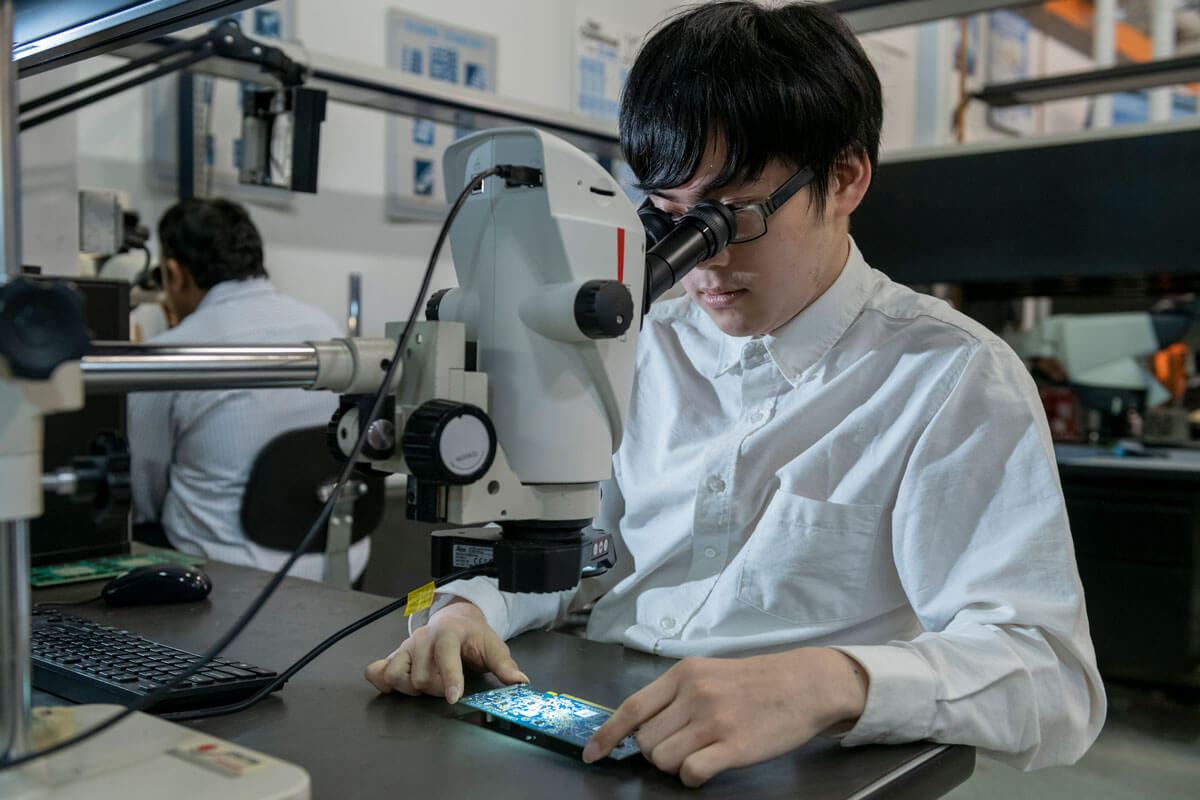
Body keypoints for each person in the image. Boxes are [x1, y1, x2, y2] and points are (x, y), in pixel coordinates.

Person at [364, 1, 1105, 786]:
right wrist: (473, 607)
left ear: (846, 177)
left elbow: (1053, 683)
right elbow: (577, 553)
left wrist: (833, 681)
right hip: (609, 727)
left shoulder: (949, 376)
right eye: (670, 218)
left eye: (731, 217)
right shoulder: (644, 345)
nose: (699, 262)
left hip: (802, 766)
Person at [128, 198, 370, 582]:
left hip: (227, 581)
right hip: (339, 561)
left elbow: (142, 491)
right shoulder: (326, 327)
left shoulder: (173, 353)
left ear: (174, 273)